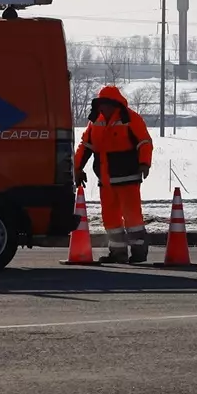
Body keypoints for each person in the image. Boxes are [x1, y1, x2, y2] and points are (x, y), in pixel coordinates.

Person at [73, 85, 153, 264]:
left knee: (132, 216)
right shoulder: (95, 121)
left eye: (107, 104)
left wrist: (144, 163)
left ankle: (139, 252)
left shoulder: (131, 118)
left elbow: (144, 142)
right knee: (110, 218)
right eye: (101, 104)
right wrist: (77, 169)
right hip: (106, 179)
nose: (104, 108)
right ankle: (118, 253)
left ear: (115, 104)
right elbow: (85, 146)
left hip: (128, 179)